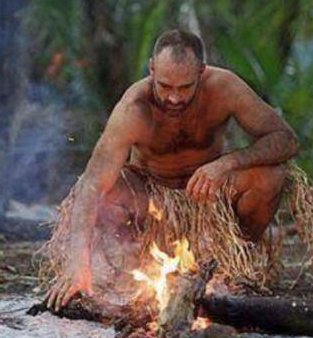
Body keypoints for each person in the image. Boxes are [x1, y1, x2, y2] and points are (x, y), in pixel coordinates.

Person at [44, 29, 298, 311]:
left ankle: (236, 264)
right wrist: (78, 264)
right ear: (152, 68)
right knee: (106, 193)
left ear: (201, 72)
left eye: (185, 88)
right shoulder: (133, 108)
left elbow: (285, 139)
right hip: (149, 201)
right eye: (164, 86)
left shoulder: (225, 87)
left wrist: (227, 163)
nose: (174, 98)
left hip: (208, 197)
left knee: (269, 177)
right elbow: (92, 183)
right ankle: (123, 272)